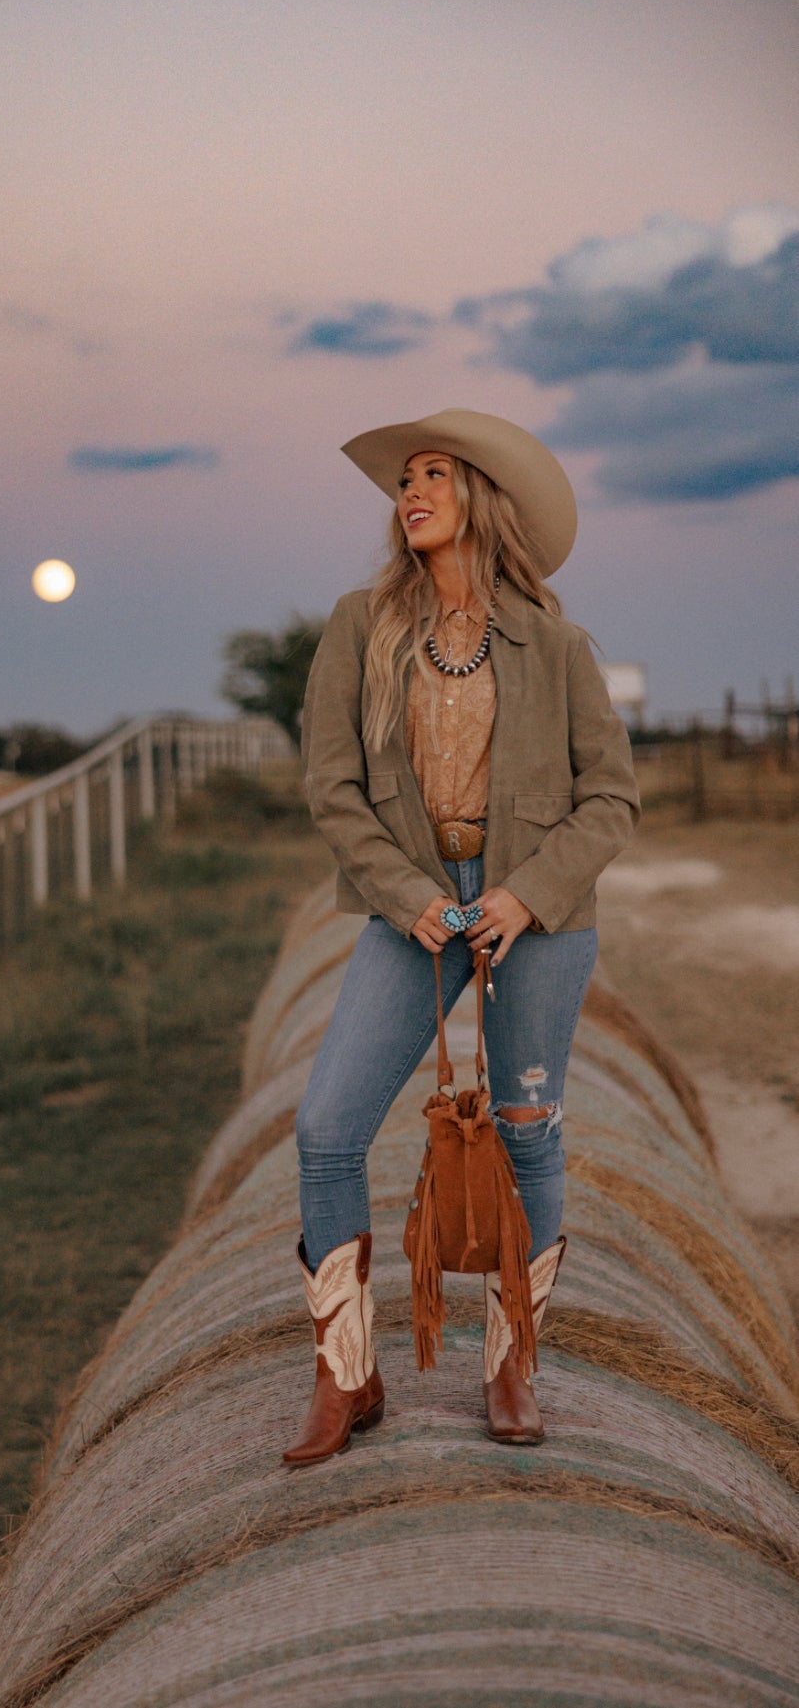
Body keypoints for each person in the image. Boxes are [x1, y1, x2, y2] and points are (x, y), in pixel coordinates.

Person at [282, 409, 639, 1466]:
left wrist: (523, 897)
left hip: (536, 910)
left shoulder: (557, 643)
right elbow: (331, 786)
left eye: (434, 474)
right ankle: (346, 1373)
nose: (411, 492)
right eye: (405, 481)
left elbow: (612, 798)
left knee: (527, 1127)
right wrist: (408, 896)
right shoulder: (362, 625)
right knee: (326, 1126)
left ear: (483, 497)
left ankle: (509, 1360)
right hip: (413, 907)